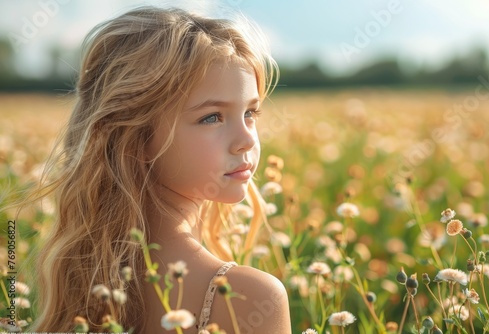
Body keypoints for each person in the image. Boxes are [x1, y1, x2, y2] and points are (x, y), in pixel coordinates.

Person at [15, 5, 291, 334]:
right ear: (135, 136)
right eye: (211, 117)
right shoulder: (249, 297)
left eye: (251, 113)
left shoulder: (79, 286)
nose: (246, 140)